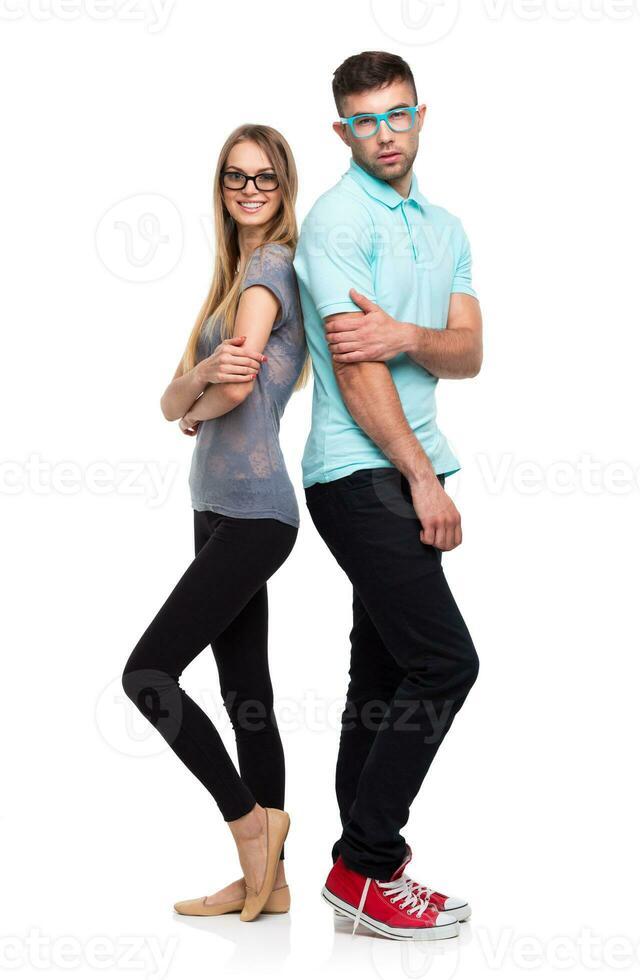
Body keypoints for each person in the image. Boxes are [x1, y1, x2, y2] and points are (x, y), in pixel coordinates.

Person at [294, 51, 483, 941]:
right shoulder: (335, 219)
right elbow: (353, 365)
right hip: (359, 467)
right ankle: (365, 867)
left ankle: (361, 873)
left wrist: (410, 331)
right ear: (343, 130)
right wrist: (415, 476)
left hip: (413, 463)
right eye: (365, 120)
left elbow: (468, 350)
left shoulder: (443, 226)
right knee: (446, 662)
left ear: (418, 115)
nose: (384, 132)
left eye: (397, 114)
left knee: (383, 673)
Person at [122, 124, 308, 922]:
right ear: (221, 186)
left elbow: (225, 397)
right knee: (246, 696)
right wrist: (193, 384)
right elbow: (173, 401)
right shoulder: (230, 279)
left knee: (147, 676)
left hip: (255, 512)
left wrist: (195, 396)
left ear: (284, 184)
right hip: (215, 506)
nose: (249, 189)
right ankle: (272, 888)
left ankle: (249, 829)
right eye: (235, 176)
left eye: (264, 177)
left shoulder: (268, 271)